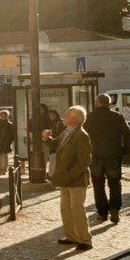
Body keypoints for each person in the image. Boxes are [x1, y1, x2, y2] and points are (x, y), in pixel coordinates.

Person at [43, 106, 93, 251]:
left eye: (66, 115)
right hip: (65, 179)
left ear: (74, 119)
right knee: (65, 209)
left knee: (77, 210)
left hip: (76, 180)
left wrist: (70, 175)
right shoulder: (67, 131)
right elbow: (55, 143)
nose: (63, 116)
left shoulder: (81, 135)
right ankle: (71, 237)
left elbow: (84, 162)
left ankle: (85, 240)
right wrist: (46, 138)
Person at [86, 93, 130, 224]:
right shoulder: (117, 117)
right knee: (114, 183)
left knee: (98, 185)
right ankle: (114, 209)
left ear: (96, 103)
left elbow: (83, 136)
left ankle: (102, 213)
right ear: (109, 104)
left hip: (94, 156)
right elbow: (129, 136)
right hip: (113, 155)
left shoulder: (89, 117)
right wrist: (125, 151)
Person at [0, 109, 14, 175]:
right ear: (0, 116)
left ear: (7, 116)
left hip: (6, 142)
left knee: (4, 156)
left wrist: (9, 142)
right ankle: (1, 169)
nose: (3, 117)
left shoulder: (10, 125)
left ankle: (4, 169)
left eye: (5, 115)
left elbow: (12, 135)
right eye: (2, 115)